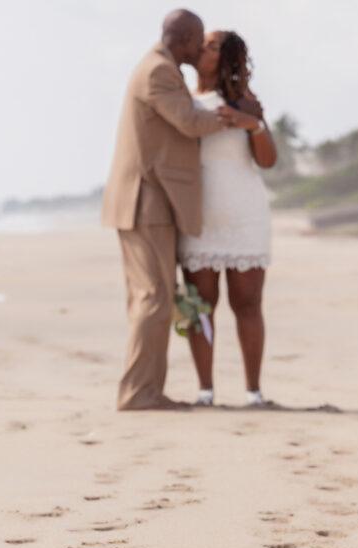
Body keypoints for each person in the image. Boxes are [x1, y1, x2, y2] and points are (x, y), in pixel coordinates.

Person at [102, 10, 246, 411]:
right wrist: (232, 117)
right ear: (183, 38)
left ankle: (143, 390)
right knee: (154, 299)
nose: (201, 49)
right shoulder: (158, 72)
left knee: (151, 299)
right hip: (145, 201)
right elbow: (188, 122)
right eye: (198, 41)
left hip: (145, 200)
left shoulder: (159, 68)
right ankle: (139, 393)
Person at [178, 31, 277, 407]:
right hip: (198, 218)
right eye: (201, 43)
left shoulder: (245, 101)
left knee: (248, 304)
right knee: (198, 307)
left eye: (213, 45)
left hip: (244, 215)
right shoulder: (181, 101)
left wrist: (249, 124)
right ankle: (205, 392)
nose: (203, 49)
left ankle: (254, 392)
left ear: (227, 57)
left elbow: (267, 160)